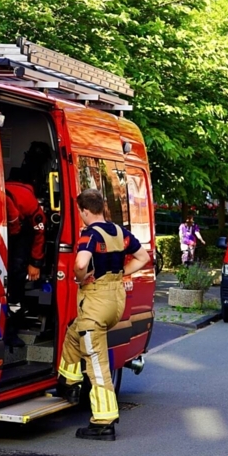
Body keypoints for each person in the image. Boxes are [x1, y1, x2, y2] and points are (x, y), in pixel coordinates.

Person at [56, 188, 150, 441]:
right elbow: (143, 257)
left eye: (80, 212)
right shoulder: (120, 232)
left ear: (85, 211)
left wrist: (81, 278)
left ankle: (103, 421)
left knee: (96, 363)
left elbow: (79, 263)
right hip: (114, 301)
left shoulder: (89, 234)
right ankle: (69, 383)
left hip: (96, 301)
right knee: (74, 332)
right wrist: (121, 272)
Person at [4, 178, 47, 348]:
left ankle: (13, 329)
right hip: (3, 237)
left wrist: (35, 262)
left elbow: (40, 232)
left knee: (16, 276)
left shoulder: (28, 204)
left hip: (24, 236)